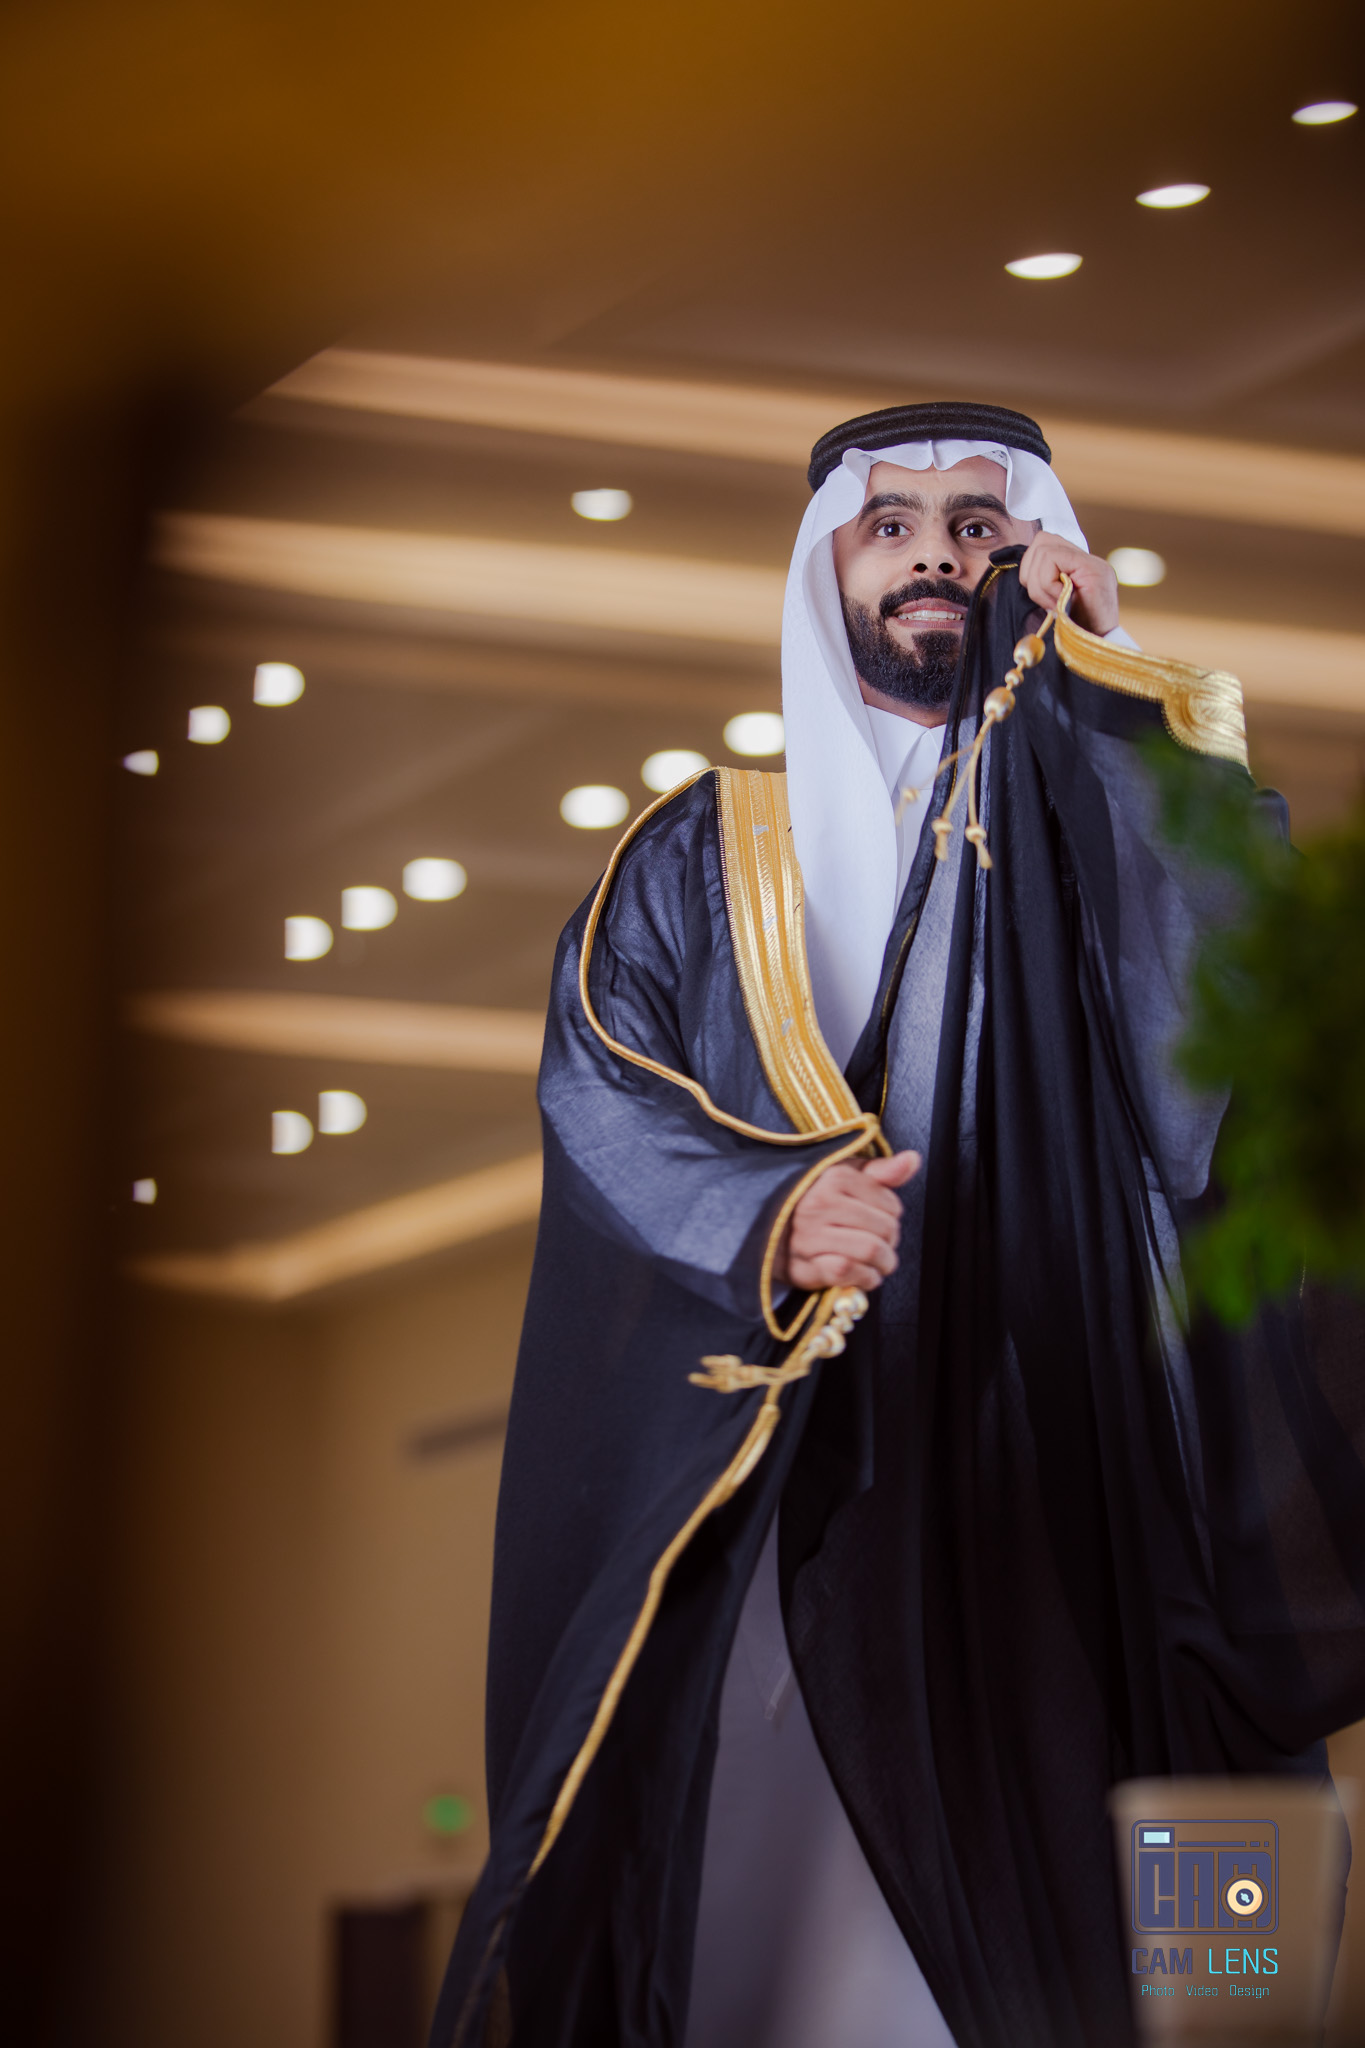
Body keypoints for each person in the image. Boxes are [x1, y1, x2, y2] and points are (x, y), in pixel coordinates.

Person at [431, 403, 1365, 2048]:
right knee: (787, 1965)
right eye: (893, 526)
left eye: (978, 525)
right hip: (802, 1496)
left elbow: (1231, 1038)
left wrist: (1111, 700)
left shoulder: (1108, 823)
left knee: (1180, 1972)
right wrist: (767, 1213)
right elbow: (602, 1079)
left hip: (1076, 1487)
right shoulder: (704, 857)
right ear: (829, 571)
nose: (938, 552)